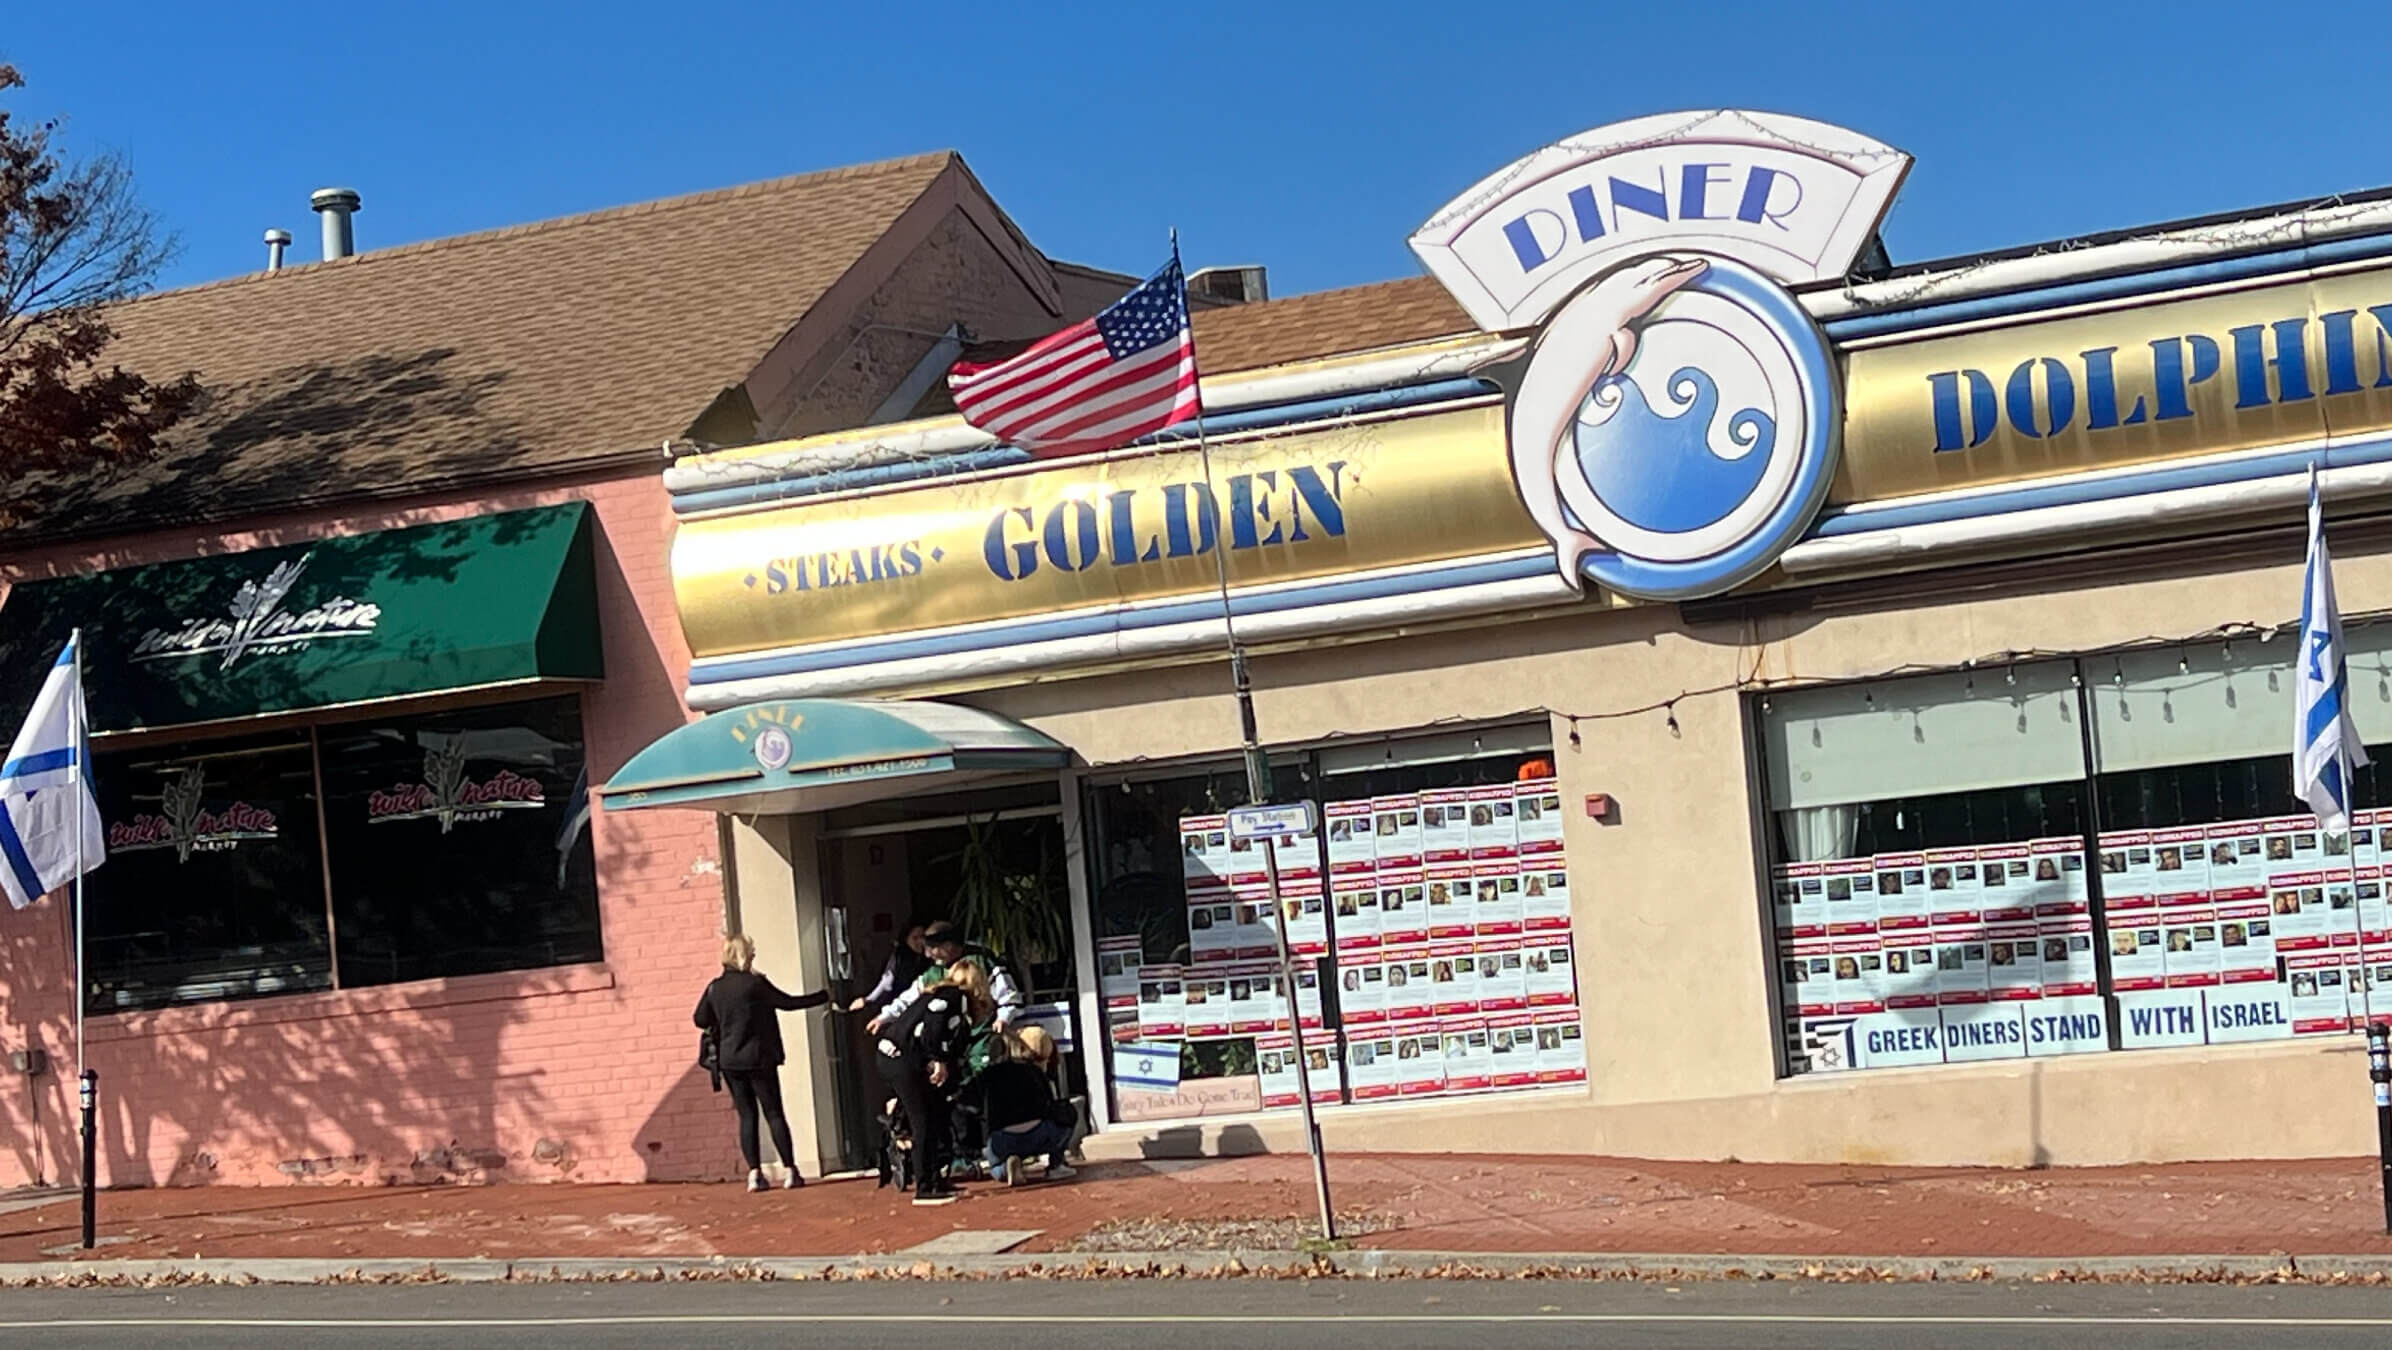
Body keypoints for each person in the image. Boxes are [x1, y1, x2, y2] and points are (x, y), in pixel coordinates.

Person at [694, 934, 829, 1193]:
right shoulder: (755, 984)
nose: (754, 955)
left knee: (747, 1115)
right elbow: (787, 1002)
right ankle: (790, 1170)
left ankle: (754, 1173)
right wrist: (822, 996)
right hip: (759, 1057)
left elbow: (700, 1018)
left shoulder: (715, 987)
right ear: (744, 955)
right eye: (751, 952)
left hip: (730, 1060)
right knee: (773, 1112)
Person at [875, 958, 992, 1205]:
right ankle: (925, 1186)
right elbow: (934, 1029)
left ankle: (935, 1178)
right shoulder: (951, 997)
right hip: (901, 1060)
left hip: (899, 1057)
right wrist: (938, 1059)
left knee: (936, 1113)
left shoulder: (939, 995)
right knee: (924, 1120)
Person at [870, 921, 1025, 1033]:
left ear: (948, 946)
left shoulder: (982, 962)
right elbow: (908, 998)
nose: (929, 954)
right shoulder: (934, 972)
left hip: (985, 1033)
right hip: (952, 1039)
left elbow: (1010, 998)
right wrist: (884, 1017)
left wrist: (1003, 1019)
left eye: (932, 948)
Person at [977, 1025, 1078, 1186]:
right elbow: (1049, 1106)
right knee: (1067, 1114)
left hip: (1001, 1138)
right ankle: (1056, 1166)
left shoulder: (985, 1076)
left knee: (995, 1166)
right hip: (1037, 1133)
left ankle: (1005, 1168)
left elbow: (971, 1106)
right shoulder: (1033, 1071)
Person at [849, 922, 930, 1012]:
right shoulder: (900, 957)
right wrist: (868, 999)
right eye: (915, 938)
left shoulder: (929, 958)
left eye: (923, 937)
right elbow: (887, 982)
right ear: (906, 939)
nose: (920, 941)